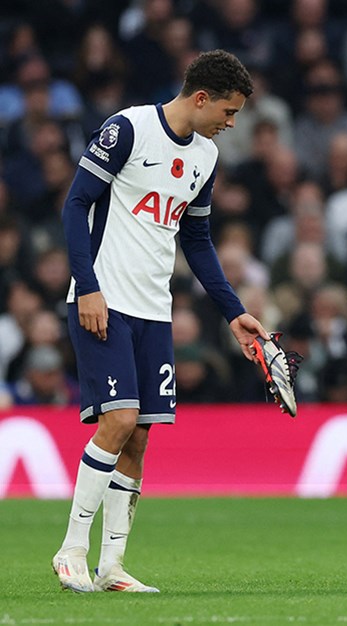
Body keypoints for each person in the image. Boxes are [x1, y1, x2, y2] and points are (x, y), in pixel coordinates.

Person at [53, 50, 270, 594]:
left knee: (141, 435)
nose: (231, 122)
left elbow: (195, 240)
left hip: (155, 308)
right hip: (104, 299)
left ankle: (112, 566)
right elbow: (76, 205)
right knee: (120, 419)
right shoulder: (128, 128)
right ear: (202, 98)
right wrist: (89, 286)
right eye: (229, 110)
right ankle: (71, 550)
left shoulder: (206, 157)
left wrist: (233, 311)